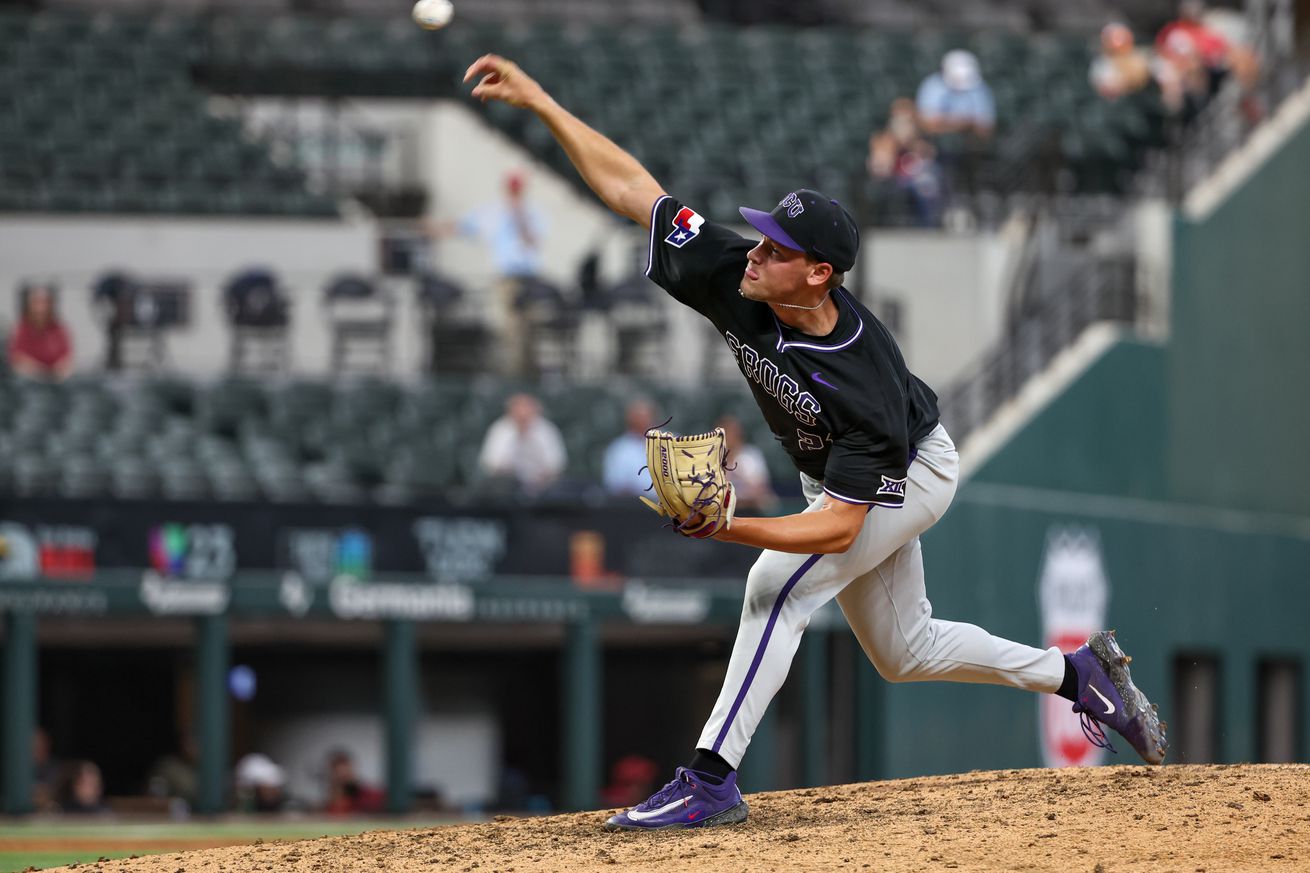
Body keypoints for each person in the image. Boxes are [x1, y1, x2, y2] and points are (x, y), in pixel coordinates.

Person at [464, 53, 1168, 831]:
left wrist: (729, 525)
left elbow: (838, 527)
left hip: (912, 470)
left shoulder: (862, 378)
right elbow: (638, 191)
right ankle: (1079, 676)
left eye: (775, 249)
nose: (755, 253)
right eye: (760, 240)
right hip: (827, 473)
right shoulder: (736, 274)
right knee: (906, 650)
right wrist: (540, 102)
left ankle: (708, 779)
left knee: (776, 587)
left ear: (819, 274)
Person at [866, 98, 945, 227]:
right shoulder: (883, 138)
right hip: (893, 180)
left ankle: (927, 227)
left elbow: (929, 157)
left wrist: (911, 143)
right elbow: (879, 166)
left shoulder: (920, 138)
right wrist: (895, 143)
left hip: (916, 180)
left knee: (925, 187)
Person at [477, 392, 567, 494]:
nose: (523, 414)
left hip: (542, 487)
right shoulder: (499, 429)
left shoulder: (547, 429)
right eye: (518, 409)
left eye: (527, 409)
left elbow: (556, 464)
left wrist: (538, 481)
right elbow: (491, 463)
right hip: (507, 488)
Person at [915, 50, 995, 141]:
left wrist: (945, 122)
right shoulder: (932, 85)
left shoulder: (980, 89)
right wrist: (965, 124)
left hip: (969, 145)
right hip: (935, 142)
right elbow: (928, 124)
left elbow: (985, 128)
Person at [8, 283, 72, 381]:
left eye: (45, 302)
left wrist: (60, 370)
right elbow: (18, 358)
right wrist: (41, 372)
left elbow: (67, 357)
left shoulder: (59, 328)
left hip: (56, 381)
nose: (41, 308)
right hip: (29, 381)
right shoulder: (21, 329)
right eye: (36, 303)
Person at [716, 414, 777, 512]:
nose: (728, 437)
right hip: (721, 513)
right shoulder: (713, 460)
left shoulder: (750, 456)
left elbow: (760, 491)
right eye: (723, 434)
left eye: (731, 433)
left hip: (750, 512)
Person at [602, 397, 656, 495]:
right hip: (634, 506)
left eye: (645, 416)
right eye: (638, 416)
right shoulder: (618, 449)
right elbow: (615, 485)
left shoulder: (671, 440)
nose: (642, 421)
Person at [1090, 23, 1154, 101]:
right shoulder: (1102, 64)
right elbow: (1106, 91)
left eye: (1121, 37)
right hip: (1118, 104)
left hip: (1143, 101)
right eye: (1115, 38)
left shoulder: (1142, 56)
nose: (1119, 42)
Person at [324, 748, 384, 815]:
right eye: (339, 775)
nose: (343, 778)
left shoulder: (369, 794)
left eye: (346, 774)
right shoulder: (331, 799)